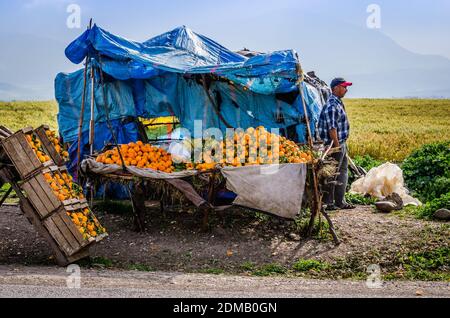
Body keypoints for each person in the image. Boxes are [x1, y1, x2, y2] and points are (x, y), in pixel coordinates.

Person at [318, 77, 356, 210]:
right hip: (334, 145)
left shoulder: (338, 102)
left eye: (346, 87)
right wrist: (337, 145)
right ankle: (329, 203)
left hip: (341, 143)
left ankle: (340, 201)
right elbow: (331, 128)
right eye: (344, 86)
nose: (346, 89)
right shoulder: (332, 105)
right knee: (331, 173)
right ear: (335, 88)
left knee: (342, 171)